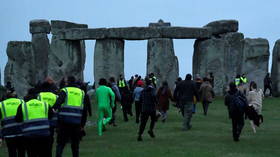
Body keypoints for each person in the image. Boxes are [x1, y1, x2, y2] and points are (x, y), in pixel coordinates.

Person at [53, 76, 88, 157]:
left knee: (61, 143)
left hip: (64, 121)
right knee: (75, 144)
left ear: (67, 82)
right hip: (76, 122)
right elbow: (84, 110)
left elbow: (58, 102)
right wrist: (82, 124)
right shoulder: (81, 92)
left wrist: (53, 109)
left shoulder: (65, 90)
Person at [16, 88, 53, 157]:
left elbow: (18, 119)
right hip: (44, 134)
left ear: (28, 95)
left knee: (32, 154)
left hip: (29, 135)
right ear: (37, 95)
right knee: (45, 154)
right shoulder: (45, 104)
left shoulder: (23, 106)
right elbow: (51, 116)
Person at [0, 91, 25, 157]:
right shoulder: (22, 102)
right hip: (21, 131)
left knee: (11, 151)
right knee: (21, 151)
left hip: (8, 132)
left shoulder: (1, 104)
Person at [37, 80, 58, 157]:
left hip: (42, 120)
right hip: (52, 121)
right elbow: (58, 108)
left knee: (42, 139)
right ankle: (49, 153)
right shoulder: (55, 96)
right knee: (50, 138)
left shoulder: (39, 96)